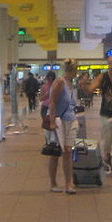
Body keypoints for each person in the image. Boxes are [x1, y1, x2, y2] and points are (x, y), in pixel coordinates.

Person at [46, 59, 79, 194]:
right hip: (59, 121)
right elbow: (52, 102)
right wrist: (52, 121)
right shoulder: (60, 82)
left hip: (71, 120)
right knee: (56, 153)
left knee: (68, 152)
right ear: (72, 70)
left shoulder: (72, 84)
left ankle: (68, 183)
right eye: (77, 69)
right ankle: (53, 182)